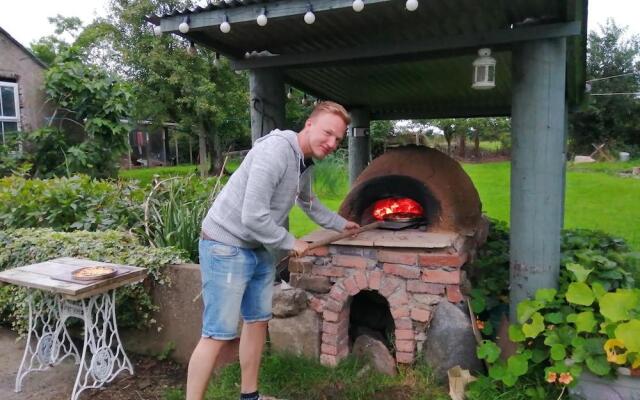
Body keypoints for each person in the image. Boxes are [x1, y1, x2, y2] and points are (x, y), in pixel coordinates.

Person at [186, 101, 360, 400]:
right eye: (328, 133)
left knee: (257, 321)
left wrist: (341, 224)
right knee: (217, 333)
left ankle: (250, 396)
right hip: (225, 244)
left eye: (338, 140)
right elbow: (252, 216)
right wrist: (291, 242)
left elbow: (308, 203)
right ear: (309, 124)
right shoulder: (277, 150)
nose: (332, 143)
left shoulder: (303, 162)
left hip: (259, 247)